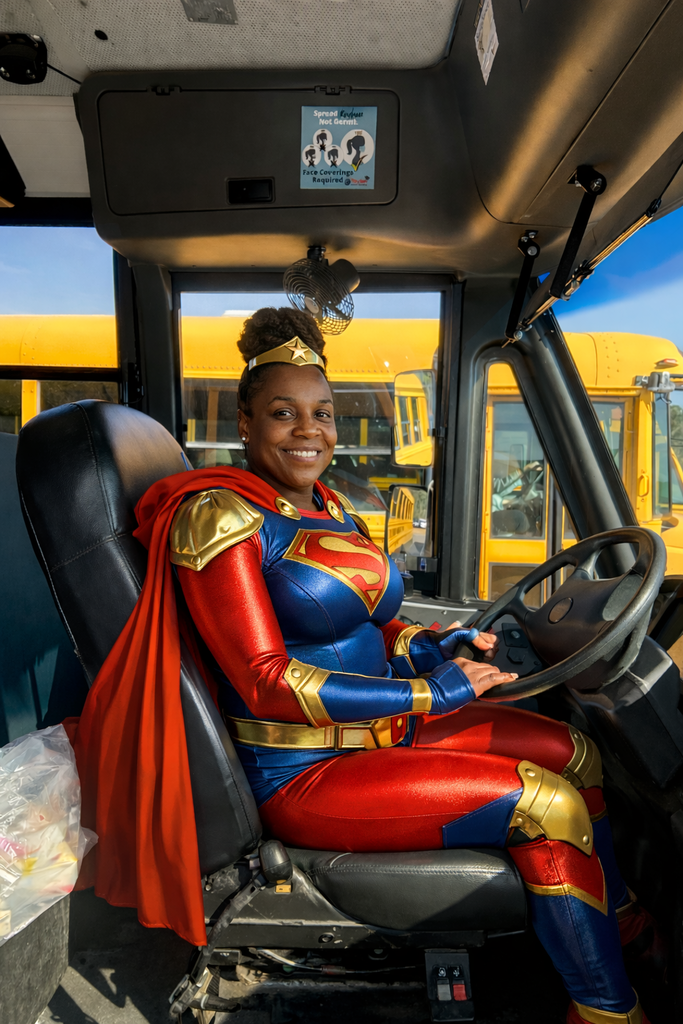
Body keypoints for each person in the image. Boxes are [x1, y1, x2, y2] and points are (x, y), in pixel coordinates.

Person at [68, 307, 655, 1024]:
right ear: (245, 425)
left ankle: (618, 933)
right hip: (305, 771)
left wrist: (436, 647)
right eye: (283, 414)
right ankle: (604, 1010)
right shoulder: (222, 516)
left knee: (576, 752)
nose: (309, 430)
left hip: (382, 734)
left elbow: (377, 626)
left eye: (322, 413)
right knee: (546, 804)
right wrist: (428, 694)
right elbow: (266, 681)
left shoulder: (329, 505)